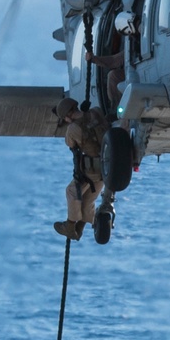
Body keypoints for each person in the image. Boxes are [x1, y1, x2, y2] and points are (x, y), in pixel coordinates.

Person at [53, 98, 107, 242]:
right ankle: (80, 228)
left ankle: (70, 226)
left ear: (68, 115)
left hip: (91, 171)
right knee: (88, 199)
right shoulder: (95, 112)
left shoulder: (73, 128)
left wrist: (70, 126)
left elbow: (69, 143)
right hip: (107, 168)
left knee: (72, 191)